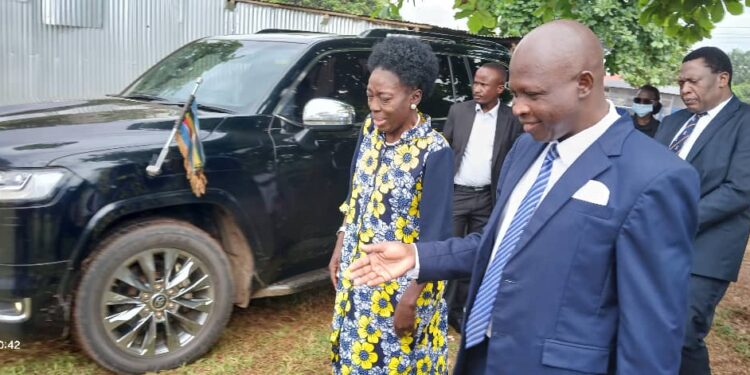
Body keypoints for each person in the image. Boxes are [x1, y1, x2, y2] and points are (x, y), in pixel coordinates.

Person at [346, 20, 700, 374]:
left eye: (533, 94)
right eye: (515, 94)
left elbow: (650, 339)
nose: (517, 108)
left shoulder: (655, 178)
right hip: (484, 357)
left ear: (584, 84)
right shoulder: (527, 148)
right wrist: (418, 255)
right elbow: (501, 245)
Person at [328, 36, 454, 374]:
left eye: (385, 98)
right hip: (360, 274)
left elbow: (438, 238)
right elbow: (355, 193)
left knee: (397, 363)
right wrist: (342, 242)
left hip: (403, 286)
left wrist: (410, 300)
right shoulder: (371, 130)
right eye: (370, 95)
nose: (374, 106)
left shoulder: (434, 150)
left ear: (414, 97)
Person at [654, 46, 750, 375]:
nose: (684, 90)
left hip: (705, 252)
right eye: (681, 82)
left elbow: (740, 189)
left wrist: (675, 220)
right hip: (652, 242)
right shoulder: (673, 121)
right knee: (643, 327)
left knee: (682, 335)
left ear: (722, 78)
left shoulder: (745, 122)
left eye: (692, 81)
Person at [442, 62, 523, 332]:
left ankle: (458, 311)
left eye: (484, 84)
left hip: (487, 199)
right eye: (475, 82)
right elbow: (445, 152)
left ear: (500, 88)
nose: (476, 88)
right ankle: (439, 308)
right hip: (457, 195)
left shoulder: (511, 120)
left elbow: (514, 159)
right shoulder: (459, 111)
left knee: (475, 256)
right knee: (448, 252)